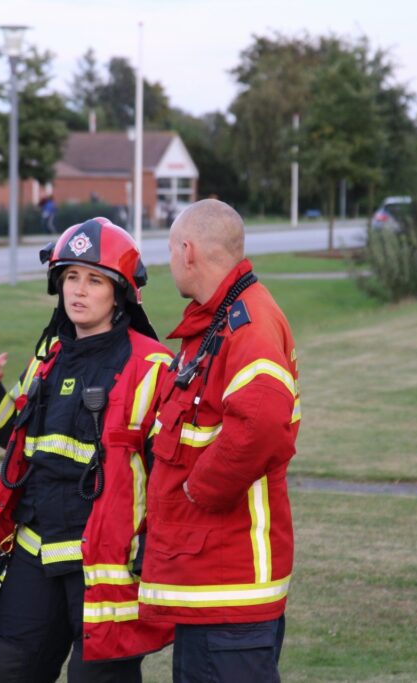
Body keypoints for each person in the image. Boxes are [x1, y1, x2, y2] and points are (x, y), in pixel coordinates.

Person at [0, 217, 174, 682]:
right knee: (3, 674)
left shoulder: (154, 366)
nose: (79, 290)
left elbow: (170, 472)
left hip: (106, 564)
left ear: (120, 293)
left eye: (94, 280)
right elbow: (18, 441)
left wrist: (156, 542)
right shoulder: (48, 360)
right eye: (71, 276)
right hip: (37, 553)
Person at [138, 199, 300, 682]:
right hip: (209, 581)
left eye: (170, 250)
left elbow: (262, 423)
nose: (170, 262)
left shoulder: (248, 325)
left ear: (188, 251)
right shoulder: (219, 320)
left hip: (228, 589)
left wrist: (198, 489)